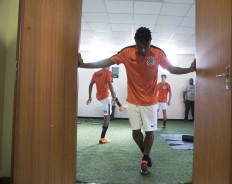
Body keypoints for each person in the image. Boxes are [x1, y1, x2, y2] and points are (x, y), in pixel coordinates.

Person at [78, 27, 196, 175]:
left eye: (146, 46)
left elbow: (172, 69)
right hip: (133, 100)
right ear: (135, 43)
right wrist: (83, 65)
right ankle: (145, 153)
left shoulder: (157, 53)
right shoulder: (126, 53)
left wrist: (190, 69)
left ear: (150, 42)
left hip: (151, 101)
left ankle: (145, 159)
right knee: (135, 132)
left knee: (150, 131)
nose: (143, 50)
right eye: (140, 47)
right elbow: (106, 61)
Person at [87, 67, 116, 144]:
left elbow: (90, 85)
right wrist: (114, 95)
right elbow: (110, 84)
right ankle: (102, 138)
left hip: (99, 97)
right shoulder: (108, 72)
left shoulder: (96, 73)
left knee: (106, 116)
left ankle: (102, 137)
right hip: (106, 98)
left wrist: (90, 97)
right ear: (108, 65)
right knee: (107, 117)